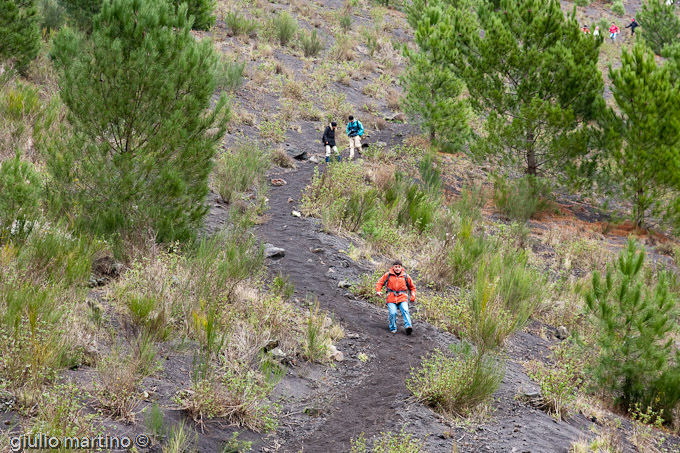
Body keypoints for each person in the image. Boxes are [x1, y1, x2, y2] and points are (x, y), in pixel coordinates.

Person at [375, 260, 416, 335]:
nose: (397, 268)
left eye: (399, 267)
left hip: (402, 296)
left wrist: (413, 296)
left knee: (405, 310)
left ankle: (408, 327)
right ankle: (393, 328)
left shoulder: (406, 276)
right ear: (393, 267)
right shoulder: (388, 275)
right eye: (396, 267)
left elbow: (412, 287)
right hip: (391, 296)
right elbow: (379, 283)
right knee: (393, 313)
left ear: (401, 268)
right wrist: (378, 291)